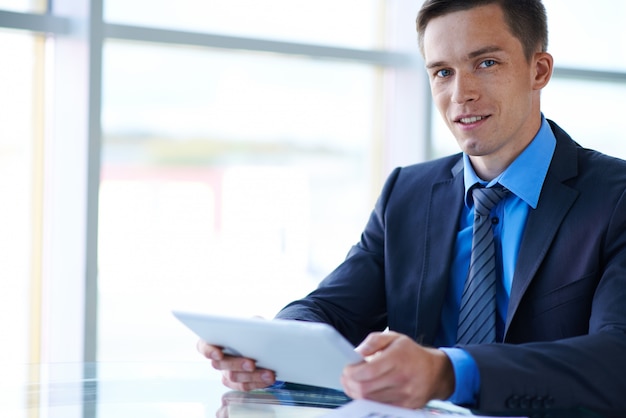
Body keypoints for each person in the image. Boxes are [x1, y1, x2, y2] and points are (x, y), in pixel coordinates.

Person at [198, 0, 626, 414]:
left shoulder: (615, 197)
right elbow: (332, 308)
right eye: (443, 71)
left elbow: (616, 357)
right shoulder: (408, 193)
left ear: (539, 69)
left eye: (486, 63)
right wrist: (271, 346)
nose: (462, 93)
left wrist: (449, 372)